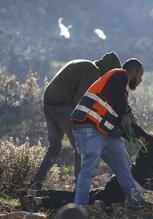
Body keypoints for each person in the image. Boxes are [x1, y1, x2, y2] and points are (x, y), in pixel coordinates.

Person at [19, 126, 153, 211]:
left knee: (86, 197)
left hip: (123, 186)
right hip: (123, 186)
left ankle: (35, 196)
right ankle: (38, 202)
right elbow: (139, 134)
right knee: (87, 204)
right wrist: (123, 124)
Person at [70, 58, 153, 209]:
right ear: (133, 71)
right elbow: (118, 104)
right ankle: (79, 208)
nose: (140, 80)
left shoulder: (121, 91)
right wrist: (127, 114)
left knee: (123, 164)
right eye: (140, 75)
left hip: (105, 132)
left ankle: (135, 200)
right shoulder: (119, 74)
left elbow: (120, 117)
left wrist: (142, 136)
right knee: (89, 168)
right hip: (88, 126)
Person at [31, 52, 121, 189]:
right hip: (63, 107)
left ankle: (36, 181)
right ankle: (80, 187)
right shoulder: (93, 72)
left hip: (49, 105)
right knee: (81, 145)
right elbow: (81, 103)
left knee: (54, 147)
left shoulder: (86, 64)